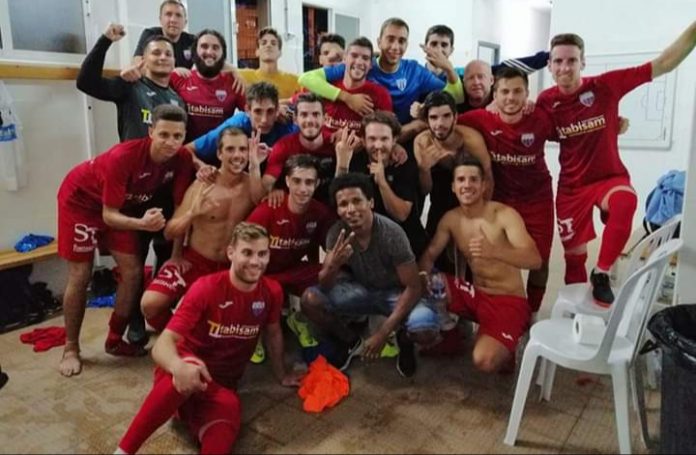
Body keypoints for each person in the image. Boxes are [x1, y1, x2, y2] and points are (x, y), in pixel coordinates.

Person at [537, 21, 696, 305]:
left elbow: (664, 63)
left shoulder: (605, 86)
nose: (565, 67)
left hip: (608, 178)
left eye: (572, 60)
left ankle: (602, 272)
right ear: (549, 66)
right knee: (573, 259)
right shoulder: (545, 102)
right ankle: (576, 312)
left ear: (583, 62)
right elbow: (535, 130)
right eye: (558, 61)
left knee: (625, 202)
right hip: (572, 188)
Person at [115, 223, 302, 455]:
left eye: (262, 254)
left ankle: (191, 413)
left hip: (219, 386)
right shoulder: (206, 288)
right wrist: (178, 366)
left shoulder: (271, 291)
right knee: (192, 368)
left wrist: (282, 373)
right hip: (180, 376)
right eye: (247, 252)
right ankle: (123, 451)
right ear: (231, 253)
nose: (256, 261)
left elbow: (273, 333)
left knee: (230, 409)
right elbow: (163, 344)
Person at [56, 105, 193, 377]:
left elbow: (181, 210)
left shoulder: (182, 159)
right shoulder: (124, 156)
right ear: (151, 131)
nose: (170, 142)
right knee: (81, 275)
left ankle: (114, 340)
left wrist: (177, 254)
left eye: (177, 136)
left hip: (120, 211)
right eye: (164, 134)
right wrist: (141, 223)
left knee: (132, 273)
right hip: (81, 202)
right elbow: (108, 215)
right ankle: (71, 348)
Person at [300, 173, 440, 378]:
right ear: (337, 210)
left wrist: (383, 333)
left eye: (357, 201)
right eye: (343, 204)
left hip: (396, 293)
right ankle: (349, 340)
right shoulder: (337, 234)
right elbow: (325, 284)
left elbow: (413, 287)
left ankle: (404, 339)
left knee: (426, 330)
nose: (350, 209)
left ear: (371, 202)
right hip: (362, 290)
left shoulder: (392, 234)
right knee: (310, 301)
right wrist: (333, 265)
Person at [419, 155, 541, 373]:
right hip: (476, 296)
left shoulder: (504, 215)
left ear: (484, 185)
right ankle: (450, 335)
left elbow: (534, 260)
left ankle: (508, 344)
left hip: (508, 300)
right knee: (429, 281)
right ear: (453, 187)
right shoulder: (451, 219)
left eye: (474, 180)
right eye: (461, 180)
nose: (467, 185)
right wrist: (419, 281)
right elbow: (429, 255)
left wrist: (495, 251)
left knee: (484, 361)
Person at [140, 128, 262, 332]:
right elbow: (169, 232)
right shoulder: (202, 185)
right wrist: (191, 215)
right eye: (230, 149)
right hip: (195, 262)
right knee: (150, 304)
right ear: (219, 154)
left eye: (242, 149)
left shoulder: (253, 186)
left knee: (230, 320)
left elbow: (267, 204)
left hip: (231, 268)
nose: (237, 155)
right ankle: (174, 335)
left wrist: (257, 166)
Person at [457, 67, 554, 312]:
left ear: (527, 93)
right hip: (499, 200)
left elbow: (575, 131)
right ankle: (493, 310)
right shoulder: (479, 118)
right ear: (495, 93)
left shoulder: (542, 118)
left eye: (517, 91)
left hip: (537, 199)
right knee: (488, 257)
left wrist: (613, 124)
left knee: (539, 261)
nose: (511, 97)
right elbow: (442, 122)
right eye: (505, 91)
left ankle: (531, 315)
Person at [299, 17, 463, 141]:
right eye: (390, 39)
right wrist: (347, 97)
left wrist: (448, 68)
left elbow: (455, 98)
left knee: (419, 127)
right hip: (367, 138)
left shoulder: (414, 71)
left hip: (401, 136)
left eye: (401, 41)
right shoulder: (362, 65)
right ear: (379, 41)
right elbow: (306, 78)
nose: (395, 47)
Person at [335, 111, 428, 257]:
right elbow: (338, 204)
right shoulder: (353, 158)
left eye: (384, 139)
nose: (378, 145)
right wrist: (342, 164)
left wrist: (382, 181)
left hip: (407, 244)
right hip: (366, 245)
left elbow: (401, 215)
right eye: (372, 139)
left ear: (395, 139)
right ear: (364, 140)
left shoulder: (404, 164)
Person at [76, 23, 182, 141]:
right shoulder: (130, 86)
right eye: (156, 53)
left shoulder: (178, 100)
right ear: (143, 59)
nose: (163, 57)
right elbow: (85, 82)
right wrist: (105, 40)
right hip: (133, 158)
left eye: (168, 54)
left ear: (174, 61)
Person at [248, 154, 334, 296]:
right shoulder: (267, 211)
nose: (302, 189)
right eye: (297, 181)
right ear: (287, 181)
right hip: (263, 275)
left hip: (293, 272)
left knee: (334, 277)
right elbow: (244, 250)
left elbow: (320, 252)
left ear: (317, 183)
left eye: (309, 182)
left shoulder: (321, 213)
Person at [414, 92, 491, 251]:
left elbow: (488, 179)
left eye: (446, 116)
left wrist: (482, 218)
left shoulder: (471, 140)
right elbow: (425, 189)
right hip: (439, 204)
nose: (440, 123)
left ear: (455, 118)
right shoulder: (422, 142)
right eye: (434, 117)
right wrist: (424, 169)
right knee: (435, 257)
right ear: (427, 121)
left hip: (473, 201)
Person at [421, 24, 548, 111]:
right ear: (425, 46)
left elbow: (515, 66)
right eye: (433, 44)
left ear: (451, 49)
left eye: (444, 45)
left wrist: (551, 56)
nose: (438, 49)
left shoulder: (464, 74)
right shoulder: (416, 76)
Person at [253, 92, 336, 204]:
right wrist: (272, 189)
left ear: (325, 119)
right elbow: (262, 192)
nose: (310, 120)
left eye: (316, 114)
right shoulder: (283, 147)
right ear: (295, 119)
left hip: (328, 207)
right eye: (304, 115)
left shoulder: (336, 142)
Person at [187, 82, 297, 166]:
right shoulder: (234, 126)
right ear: (247, 110)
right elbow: (187, 150)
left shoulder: (287, 127)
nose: (264, 120)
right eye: (258, 111)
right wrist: (202, 167)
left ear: (277, 110)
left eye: (270, 111)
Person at [168, 29, 246, 142]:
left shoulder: (234, 82)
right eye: (204, 46)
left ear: (222, 54)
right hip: (185, 154)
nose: (209, 52)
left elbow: (252, 114)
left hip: (220, 155)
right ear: (195, 52)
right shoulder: (180, 77)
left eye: (215, 48)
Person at [319, 37, 393, 135]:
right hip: (324, 148)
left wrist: (363, 142)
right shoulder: (326, 86)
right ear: (344, 58)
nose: (359, 62)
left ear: (370, 64)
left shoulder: (381, 94)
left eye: (365, 58)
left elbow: (387, 134)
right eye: (354, 56)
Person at [238, 27, 300, 100]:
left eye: (273, 43)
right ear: (257, 52)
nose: (268, 45)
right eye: (264, 43)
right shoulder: (243, 76)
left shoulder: (293, 81)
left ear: (280, 52)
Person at [133, 0, 195, 69]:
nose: (173, 20)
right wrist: (174, 73)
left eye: (178, 15)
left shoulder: (192, 41)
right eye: (168, 14)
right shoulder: (150, 34)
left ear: (185, 23)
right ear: (160, 19)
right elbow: (137, 64)